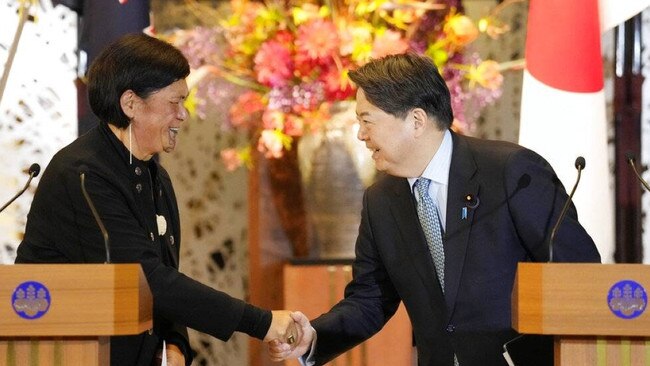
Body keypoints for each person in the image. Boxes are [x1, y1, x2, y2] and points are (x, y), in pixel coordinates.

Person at [269, 53, 601, 366]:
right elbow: (369, 299)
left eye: (367, 120)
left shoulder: (511, 172)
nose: (360, 134)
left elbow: (578, 274)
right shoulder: (381, 200)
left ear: (416, 120)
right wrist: (315, 336)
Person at [15, 33, 302, 366]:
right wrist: (262, 323)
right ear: (131, 104)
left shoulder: (154, 176)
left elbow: (164, 275)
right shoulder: (82, 174)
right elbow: (146, 278)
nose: (182, 115)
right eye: (174, 102)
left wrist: (174, 343)